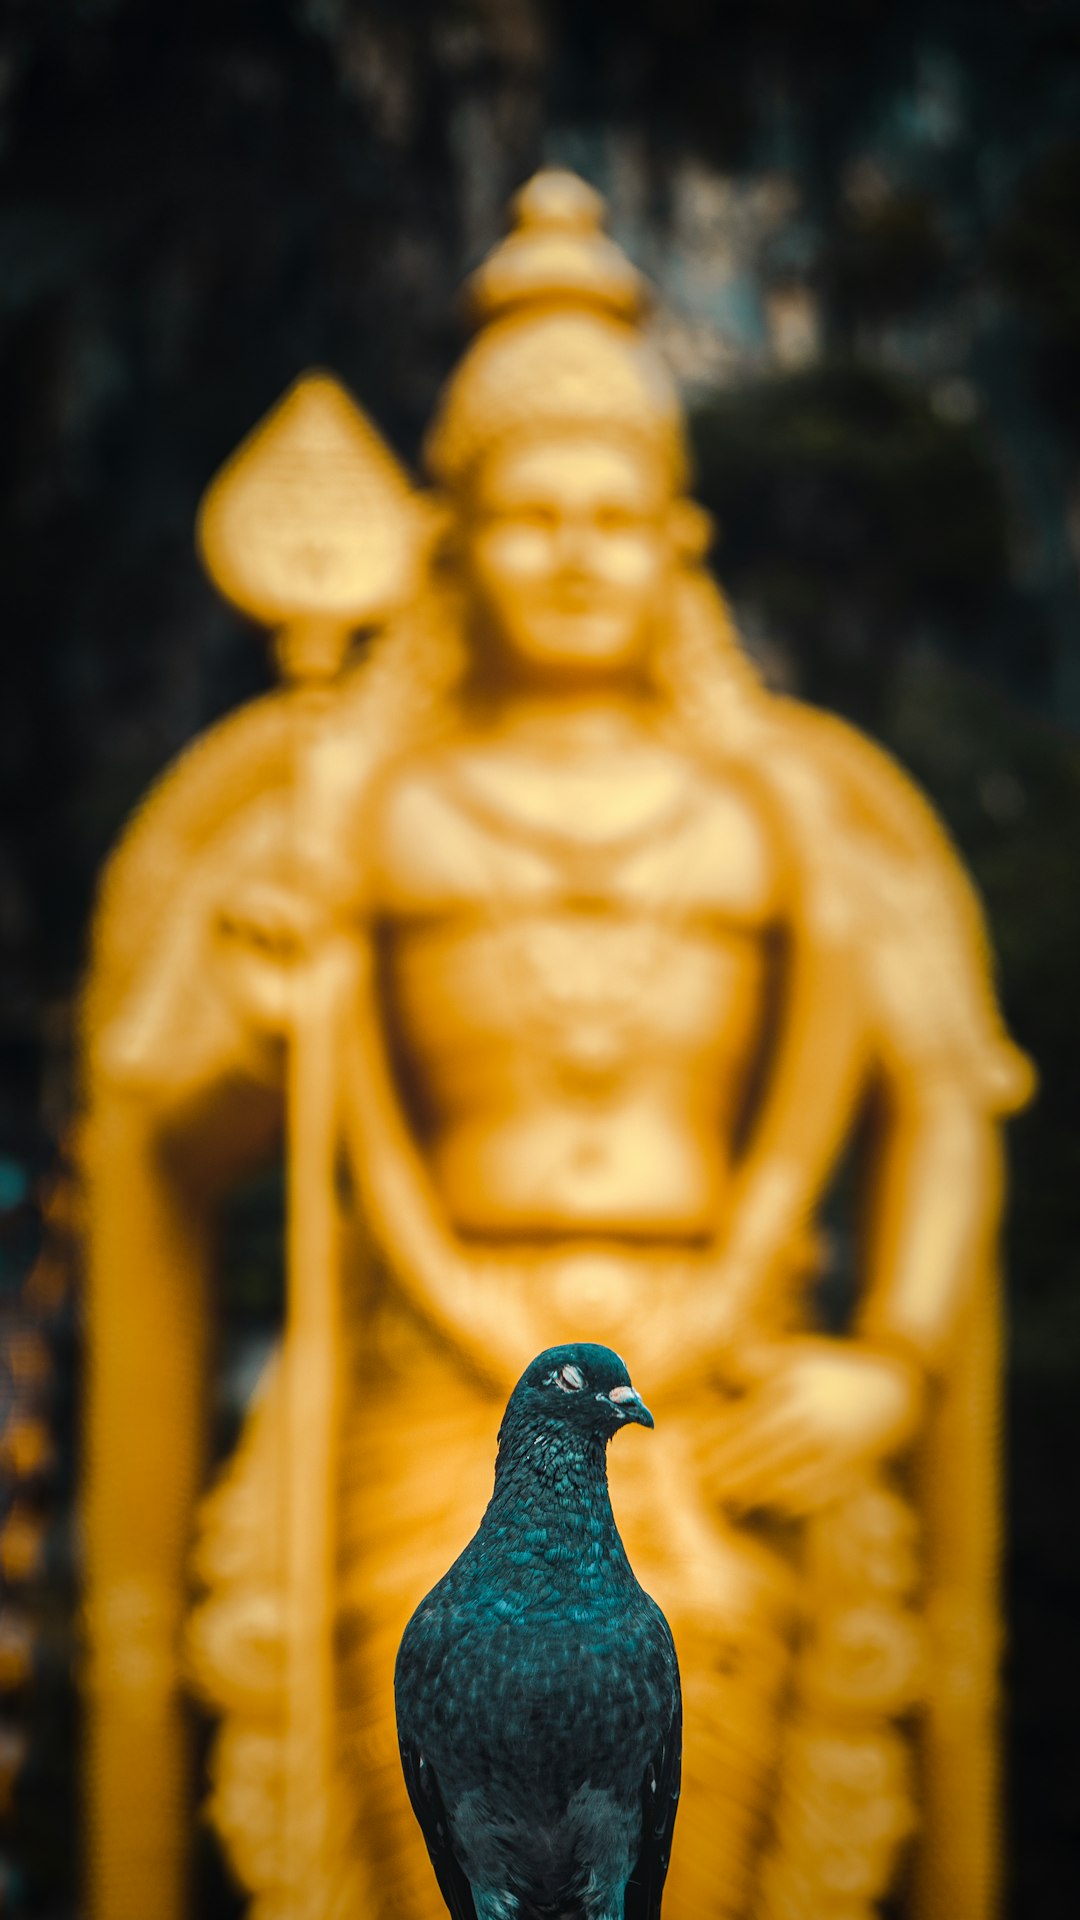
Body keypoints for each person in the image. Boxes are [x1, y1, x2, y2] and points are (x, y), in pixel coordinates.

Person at [83, 173, 1031, 1920]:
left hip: (730, 1366)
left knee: (707, 1746)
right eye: (533, 517)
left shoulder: (802, 817)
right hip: (431, 1385)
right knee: (419, 1755)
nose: (578, 557)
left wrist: (887, 1359)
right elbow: (153, 1128)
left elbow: (951, 1097)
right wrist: (268, 1030)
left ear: (675, 541)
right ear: (457, 542)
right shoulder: (343, 806)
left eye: (616, 517)